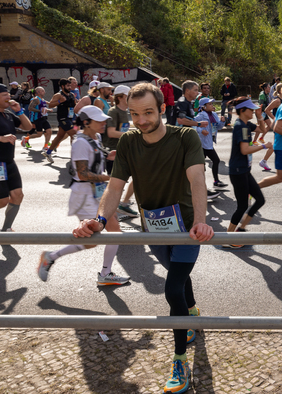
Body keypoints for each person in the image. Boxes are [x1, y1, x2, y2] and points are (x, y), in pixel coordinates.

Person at [72, 83, 214, 393]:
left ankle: (180, 361)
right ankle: (191, 312)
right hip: (153, 228)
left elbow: (197, 179)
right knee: (179, 278)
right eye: (135, 114)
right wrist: (98, 219)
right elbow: (114, 186)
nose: (141, 120)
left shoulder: (185, 137)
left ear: (162, 109)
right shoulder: (128, 143)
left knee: (172, 287)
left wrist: (202, 222)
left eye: (148, 112)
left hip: (187, 228)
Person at [37, 105, 130, 286]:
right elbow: (82, 174)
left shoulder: (94, 137)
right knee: (99, 238)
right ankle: (53, 258)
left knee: (108, 234)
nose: (104, 123)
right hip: (85, 194)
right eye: (99, 120)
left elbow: (95, 158)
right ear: (86, 122)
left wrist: (109, 155)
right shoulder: (80, 142)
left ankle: (103, 273)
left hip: (95, 193)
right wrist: (110, 178)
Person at [224, 97, 272, 248]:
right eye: (251, 109)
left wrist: (259, 115)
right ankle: (228, 239)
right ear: (243, 111)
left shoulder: (245, 124)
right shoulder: (241, 127)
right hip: (238, 171)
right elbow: (245, 150)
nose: (253, 111)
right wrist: (264, 146)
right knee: (242, 206)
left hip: (244, 170)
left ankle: (241, 229)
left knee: (260, 200)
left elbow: (263, 130)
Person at [0, 83, 32, 232]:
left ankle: (6, 230)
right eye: (4, 95)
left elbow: (28, 127)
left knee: (17, 195)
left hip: (9, 162)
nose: (8, 97)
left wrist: (19, 111)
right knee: (3, 200)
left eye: (8, 95)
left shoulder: (9, 115)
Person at [174, 81, 220, 200]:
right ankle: (200, 192)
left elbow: (188, 120)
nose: (197, 92)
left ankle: (199, 191)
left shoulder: (189, 103)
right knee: (195, 167)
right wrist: (198, 124)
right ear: (188, 91)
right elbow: (181, 120)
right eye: (195, 90)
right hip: (179, 142)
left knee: (195, 168)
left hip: (186, 141)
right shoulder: (183, 102)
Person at [101, 84, 139, 218]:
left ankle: (124, 203)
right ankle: (112, 210)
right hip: (112, 153)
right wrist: (133, 135)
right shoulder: (113, 112)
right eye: (129, 96)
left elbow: (122, 131)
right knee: (116, 185)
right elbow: (111, 133)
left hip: (123, 151)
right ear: (121, 97)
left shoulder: (125, 112)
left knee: (138, 176)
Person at [194, 97, 228, 189]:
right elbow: (193, 125)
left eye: (212, 104)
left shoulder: (214, 114)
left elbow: (218, 127)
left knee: (209, 163)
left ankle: (215, 182)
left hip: (209, 143)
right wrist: (201, 131)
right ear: (204, 107)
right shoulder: (201, 115)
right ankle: (203, 185)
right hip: (202, 144)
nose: (212, 106)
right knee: (207, 163)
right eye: (210, 104)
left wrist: (222, 121)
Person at [42, 78, 77, 163]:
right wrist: (59, 101)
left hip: (70, 118)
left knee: (60, 136)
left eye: (70, 85)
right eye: (68, 86)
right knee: (74, 134)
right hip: (63, 118)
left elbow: (75, 105)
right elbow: (50, 105)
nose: (70, 87)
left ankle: (48, 152)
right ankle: (75, 155)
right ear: (62, 86)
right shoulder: (58, 95)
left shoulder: (71, 94)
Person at [23, 86, 53, 151]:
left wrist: (48, 110)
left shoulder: (43, 99)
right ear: (38, 92)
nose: (44, 92)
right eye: (42, 91)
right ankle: (26, 138)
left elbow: (44, 107)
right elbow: (30, 108)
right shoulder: (36, 99)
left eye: (44, 90)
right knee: (39, 134)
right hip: (38, 119)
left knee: (49, 131)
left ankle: (45, 146)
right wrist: (40, 111)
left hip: (44, 118)